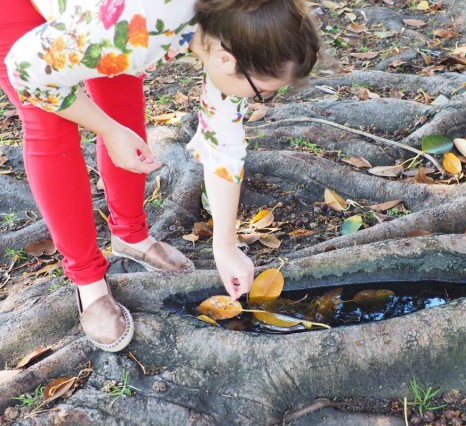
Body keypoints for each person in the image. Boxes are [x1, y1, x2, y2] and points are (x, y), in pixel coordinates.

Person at [0, 0, 319, 352]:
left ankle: (131, 236)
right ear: (227, 61)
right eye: (265, 91)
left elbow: (223, 142)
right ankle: (87, 278)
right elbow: (26, 72)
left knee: (121, 99)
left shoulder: (235, 25)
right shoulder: (137, 29)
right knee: (50, 126)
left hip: (103, 22)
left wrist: (225, 245)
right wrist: (108, 130)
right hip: (23, 16)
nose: (265, 99)